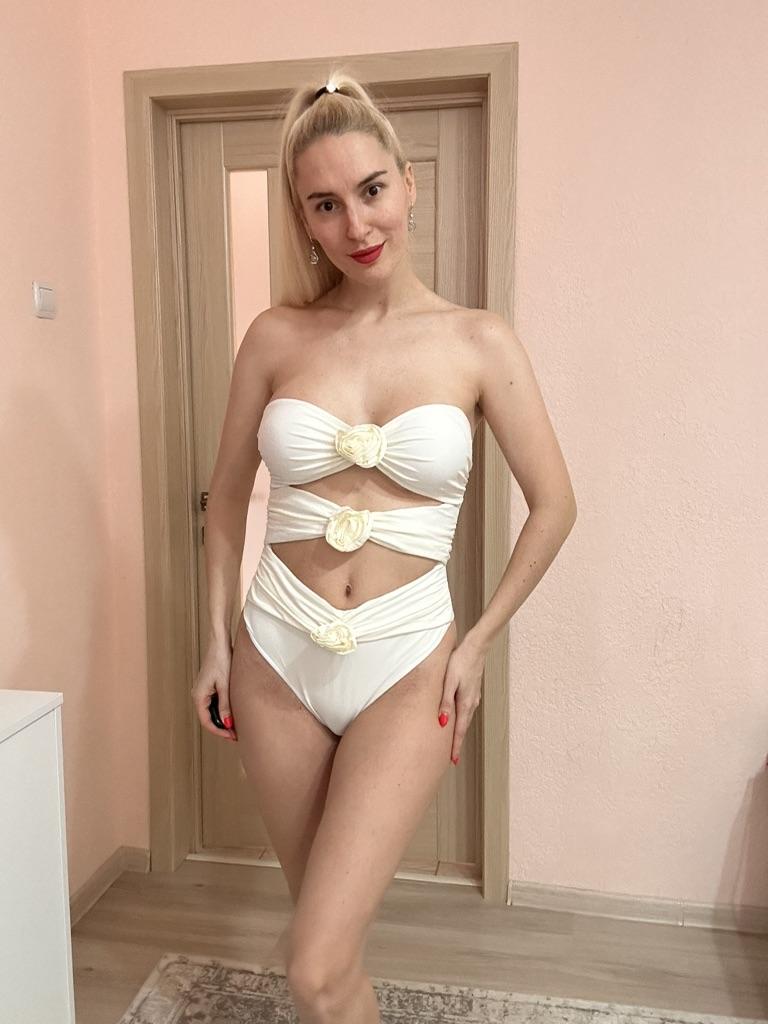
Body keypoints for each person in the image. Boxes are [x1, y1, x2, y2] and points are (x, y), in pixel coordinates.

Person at [191, 65, 577, 1024]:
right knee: (328, 960)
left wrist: (477, 643)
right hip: (275, 657)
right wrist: (215, 642)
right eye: (326, 204)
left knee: (315, 964)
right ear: (304, 219)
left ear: (408, 182)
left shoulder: (479, 340)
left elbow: (555, 504)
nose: (356, 224)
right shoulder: (275, 336)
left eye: (370, 191)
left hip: (408, 662)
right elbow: (226, 500)